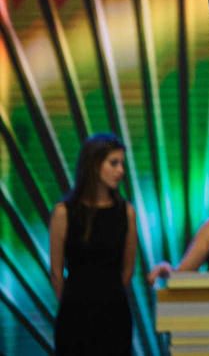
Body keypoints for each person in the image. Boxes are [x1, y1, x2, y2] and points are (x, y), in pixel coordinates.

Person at [49, 133, 138, 355]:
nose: (121, 171)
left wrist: (108, 297)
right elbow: (56, 272)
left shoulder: (125, 212)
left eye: (122, 164)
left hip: (114, 313)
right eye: (114, 163)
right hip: (74, 314)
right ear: (94, 164)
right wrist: (74, 302)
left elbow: (128, 270)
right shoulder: (64, 212)